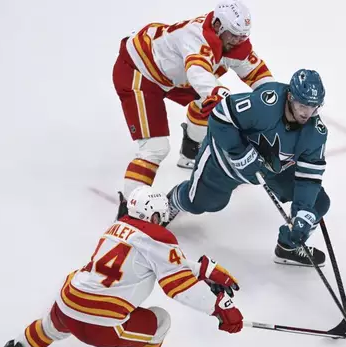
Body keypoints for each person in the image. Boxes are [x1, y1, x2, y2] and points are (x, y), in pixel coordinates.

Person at [0, 186, 243, 347]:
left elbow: (154, 259)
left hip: (67, 307)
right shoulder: (157, 237)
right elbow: (180, 287)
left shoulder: (117, 228)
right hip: (102, 326)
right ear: (154, 216)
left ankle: (17, 346)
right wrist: (220, 306)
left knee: (51, 326)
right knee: (161, 321)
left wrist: (203, 269)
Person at [165, 69, 330, 267]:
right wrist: (239, 153)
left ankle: (288, 247)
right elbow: (220, 116)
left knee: (317, 203)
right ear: (289, 96)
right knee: (199, 203)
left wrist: (303, 213)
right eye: (302, 105)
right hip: (223, 160)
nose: (307, 113)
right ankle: (170, 203)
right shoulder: (266, 103)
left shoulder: (316, 133)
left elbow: (309, 178)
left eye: (313, 107)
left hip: (270, 168)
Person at [114, 0, 275, 200]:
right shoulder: (195, 37)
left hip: (174, 77)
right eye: (234, 35)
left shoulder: (230, 40)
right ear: (218, 25)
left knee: (207, 103)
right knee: (156, 147)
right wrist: (228, 104)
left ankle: (190, 151)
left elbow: (256, 72)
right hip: (140, 74)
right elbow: (199, 74)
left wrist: (275, 100)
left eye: (242, 36)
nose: (238, 41)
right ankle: (130, 205)